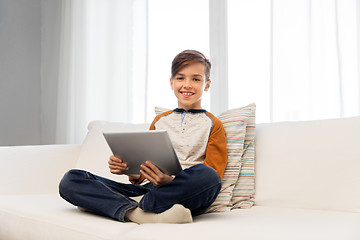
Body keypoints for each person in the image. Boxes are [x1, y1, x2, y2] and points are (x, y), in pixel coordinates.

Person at [59, 50, 228, 224]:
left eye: (196, 79)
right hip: (148, 191)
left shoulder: (213, 124)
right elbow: (142, 171)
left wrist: (169, 181)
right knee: (71, 180)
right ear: (171, 83)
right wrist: (127, 167)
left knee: (209, 176)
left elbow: (214, 174)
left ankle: (108, 204)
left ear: (207, 85)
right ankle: (138, 213)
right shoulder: (160, 121)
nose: (187, 85)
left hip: (184, 193)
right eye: (180, 78)